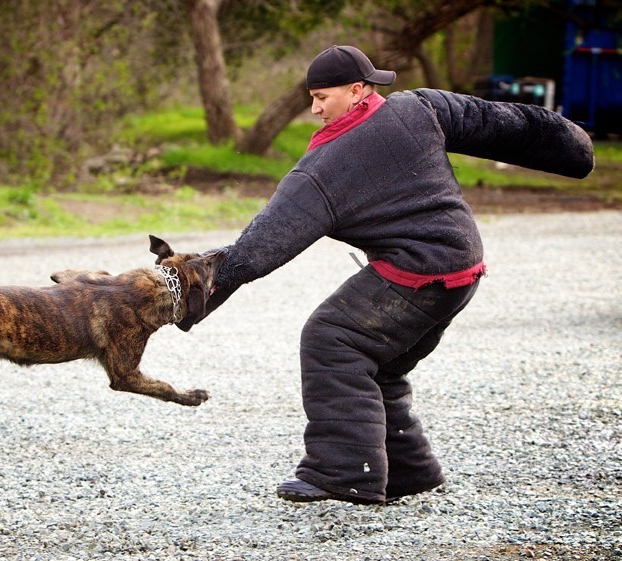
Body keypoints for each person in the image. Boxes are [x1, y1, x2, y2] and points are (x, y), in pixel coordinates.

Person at [177, 45, 595, 504]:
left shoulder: (324, 169)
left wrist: (185, 296)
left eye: (323, 97)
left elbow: (257, 250)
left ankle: (343, 473)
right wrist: (573, 149)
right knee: (384, 363)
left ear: (358, 90)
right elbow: (499, 123)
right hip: (463, 265)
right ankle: (409, 470)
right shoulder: (420, 108)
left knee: (332, 339)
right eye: (311, 98)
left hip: (417, 274)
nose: (315, 108)